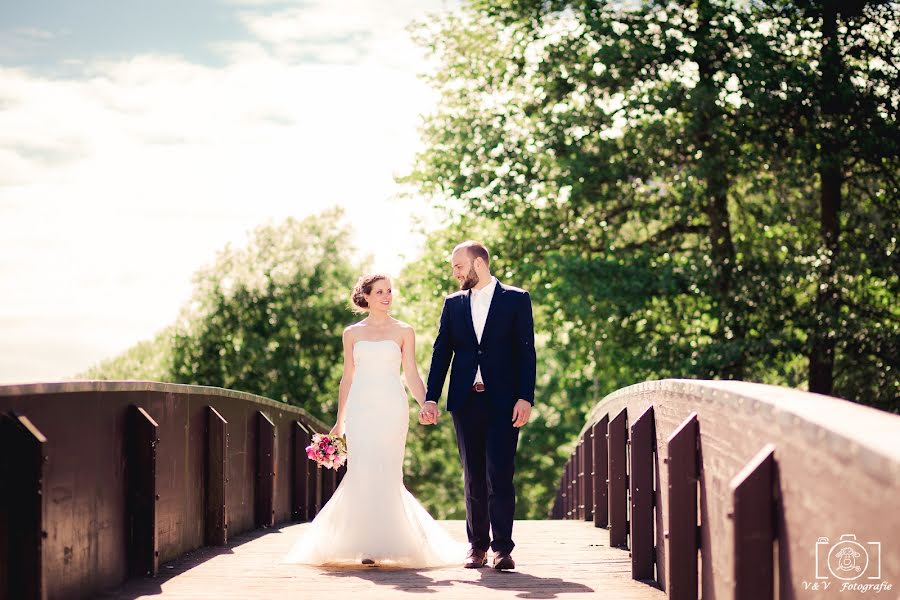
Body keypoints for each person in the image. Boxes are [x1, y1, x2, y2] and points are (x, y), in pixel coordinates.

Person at [283, 274, 466, 568]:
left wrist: (427, 402)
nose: (386, 296)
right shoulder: (351, 333)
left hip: (392, 408)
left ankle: (389, 543)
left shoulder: (404, 331)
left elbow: (411, 373)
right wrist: (339, 421)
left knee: (389, 472)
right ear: (366, 296)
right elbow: (348, 377)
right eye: (379, 291)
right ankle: (366, 545)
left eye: (389, 291)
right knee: (362, 470)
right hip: (360, 409)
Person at [421, 240, 536, 571]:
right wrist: (432, 396)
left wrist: (525, 397)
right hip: (465, 400)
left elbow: (526, 352)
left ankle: (502, 548)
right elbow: (442, 352)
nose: (454, 273)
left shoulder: (516, 299)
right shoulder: (453, 303)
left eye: (458, 266)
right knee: (473, 475)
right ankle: (477, 547)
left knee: (500, 474)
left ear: (479, 264)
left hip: (504, 401)